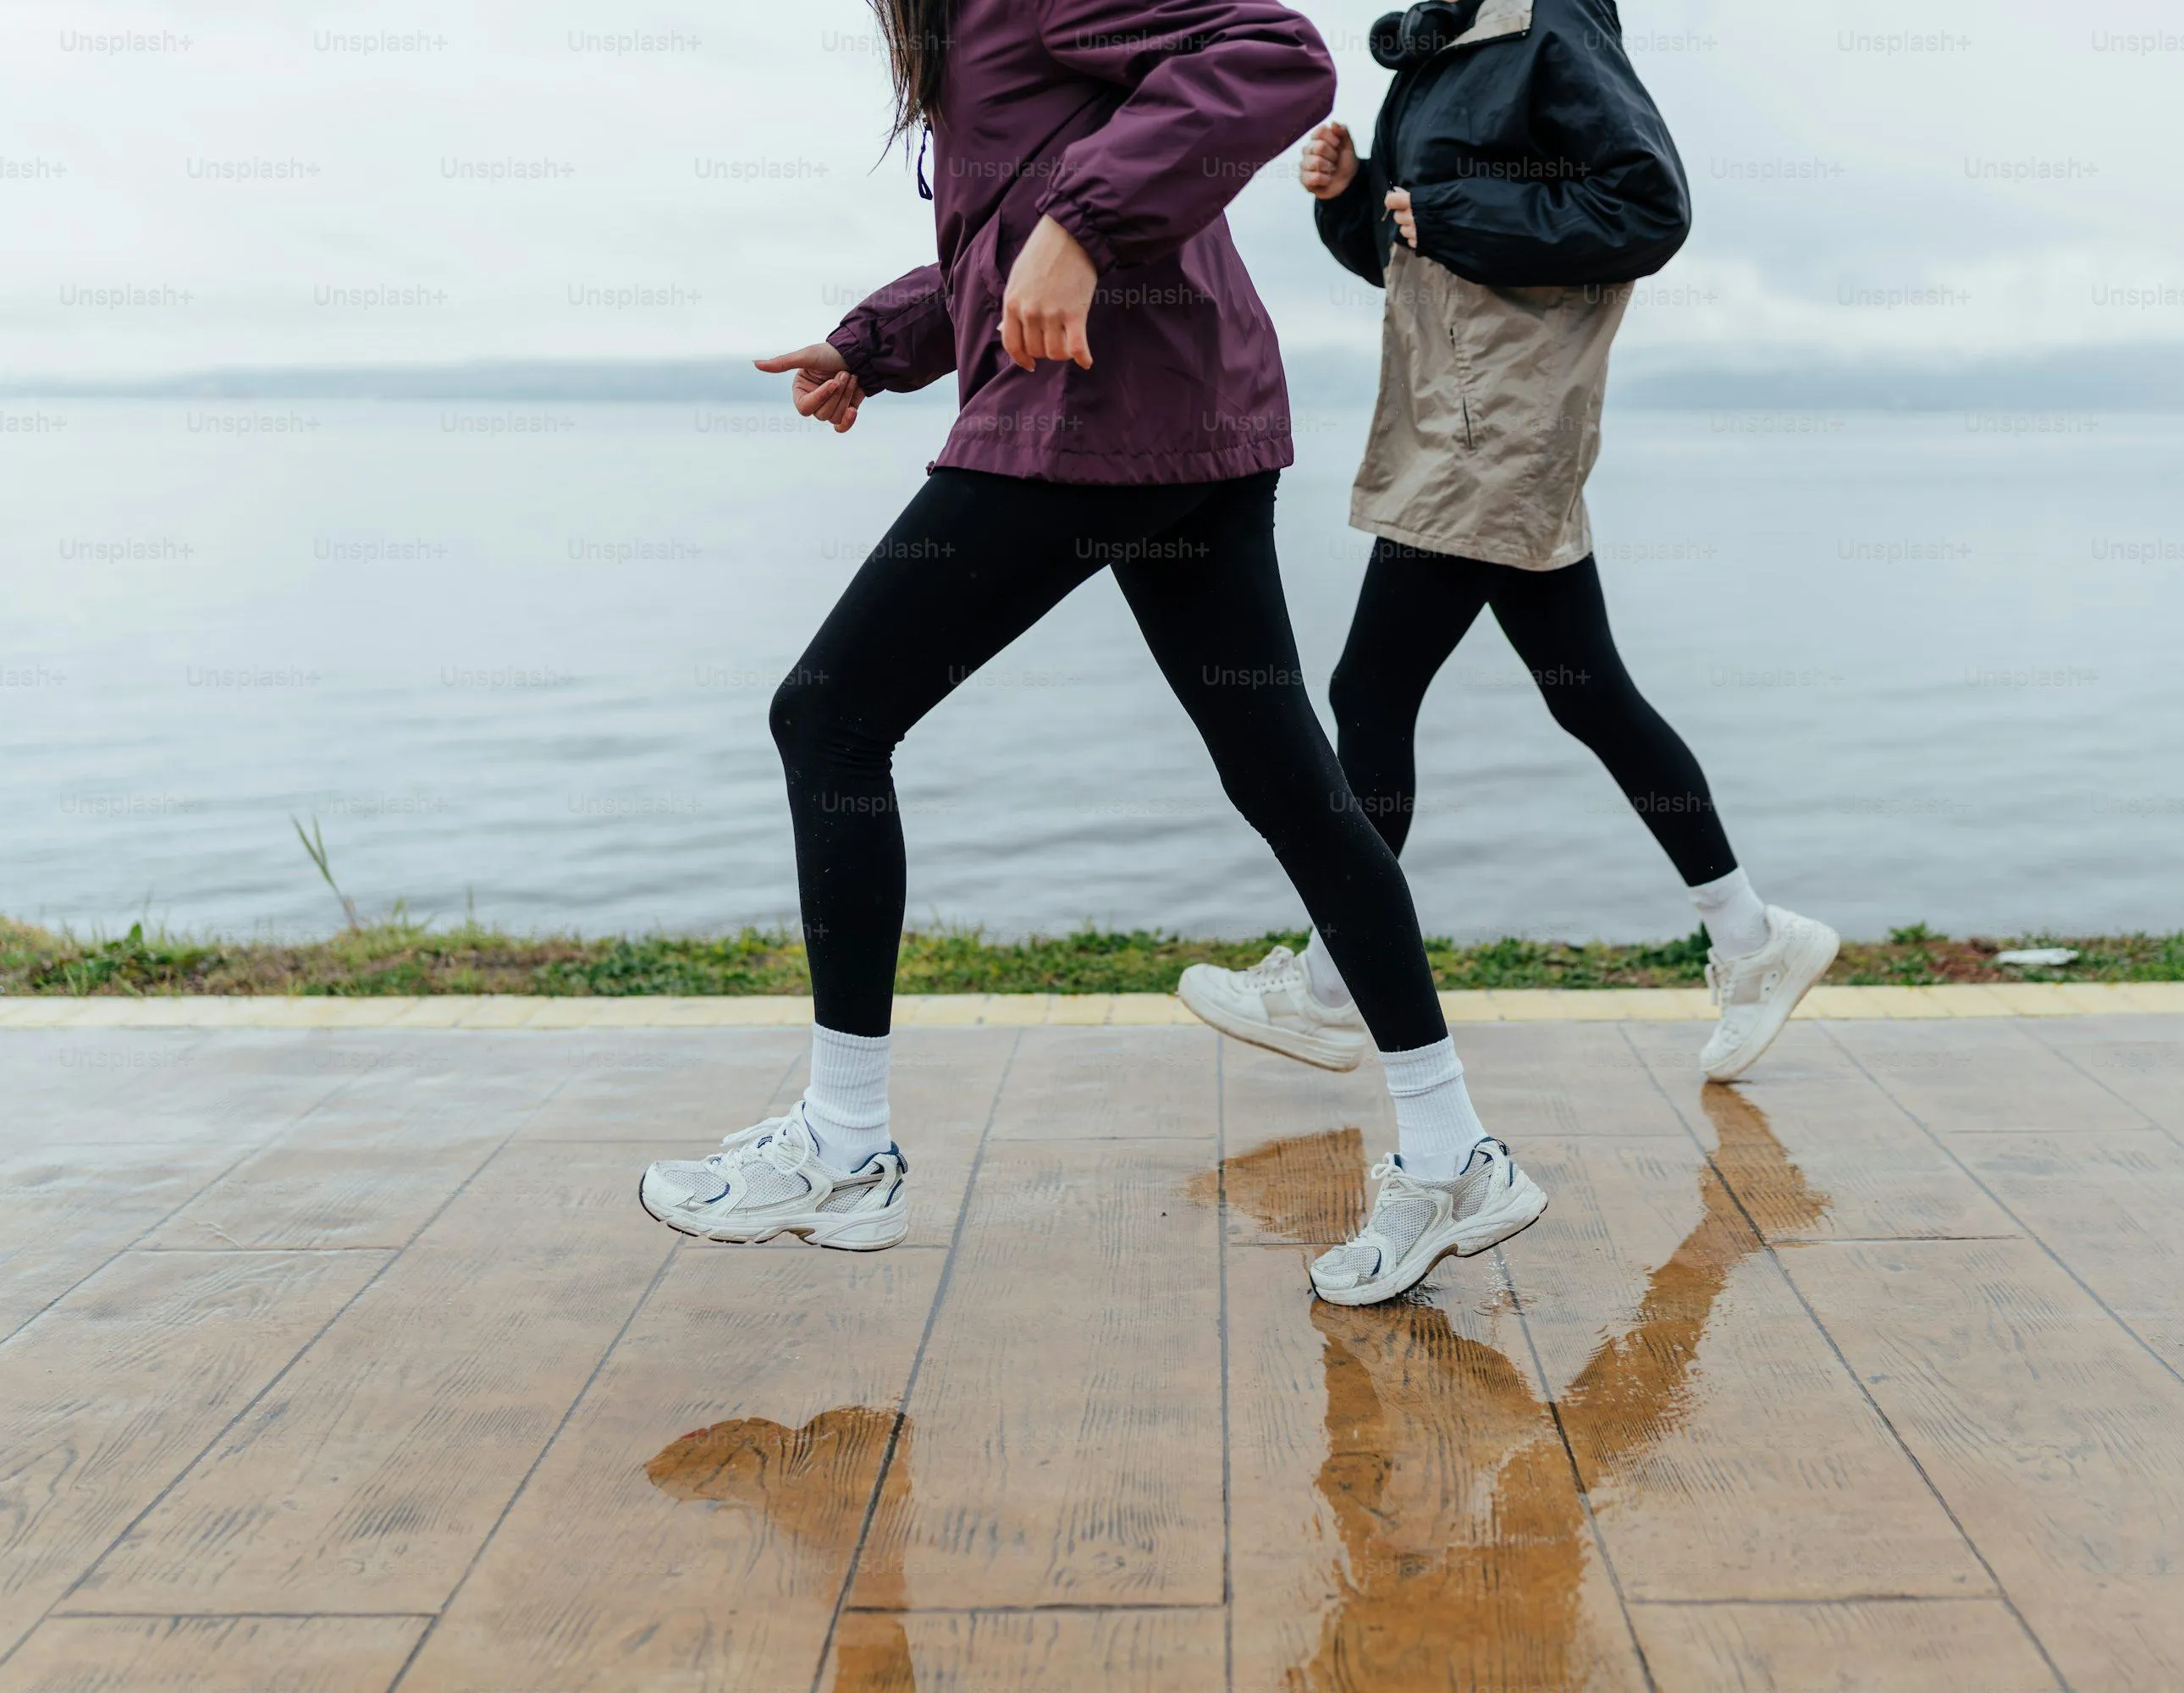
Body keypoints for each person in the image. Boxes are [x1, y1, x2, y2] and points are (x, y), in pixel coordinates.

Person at [632, 0, 1544, 1306]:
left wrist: (1078, 229)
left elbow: (1278, 56)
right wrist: (878, 344)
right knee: (1285, 777)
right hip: (1180, 411)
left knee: (829, 716)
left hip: (1097, 411)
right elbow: (1012, 222)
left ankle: (842, 1146)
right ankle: (1455, 1154)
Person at [1176, 0, 1838, 1084]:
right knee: (1590, 693)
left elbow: (1646, 206)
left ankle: (1332, 989)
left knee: (1370, 690)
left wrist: (1447, 206)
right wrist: (1355, 198)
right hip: (1460, 413)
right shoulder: (1449, 43)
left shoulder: (1551, 26)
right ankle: (1751, 936)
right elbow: (1419, 251)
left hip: (1499, 425)